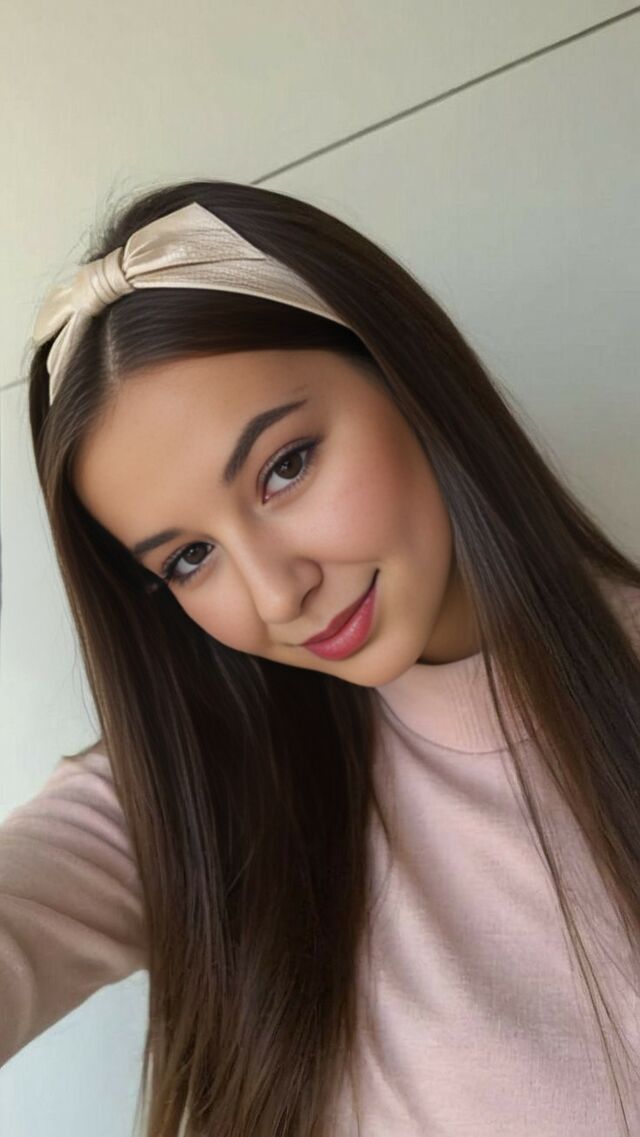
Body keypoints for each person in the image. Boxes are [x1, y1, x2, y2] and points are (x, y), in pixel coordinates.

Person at [1, 178, 640, 1137]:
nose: (275, 593)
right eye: (189, 557)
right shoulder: (200, 789)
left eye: (285, 466)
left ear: (403, 371)